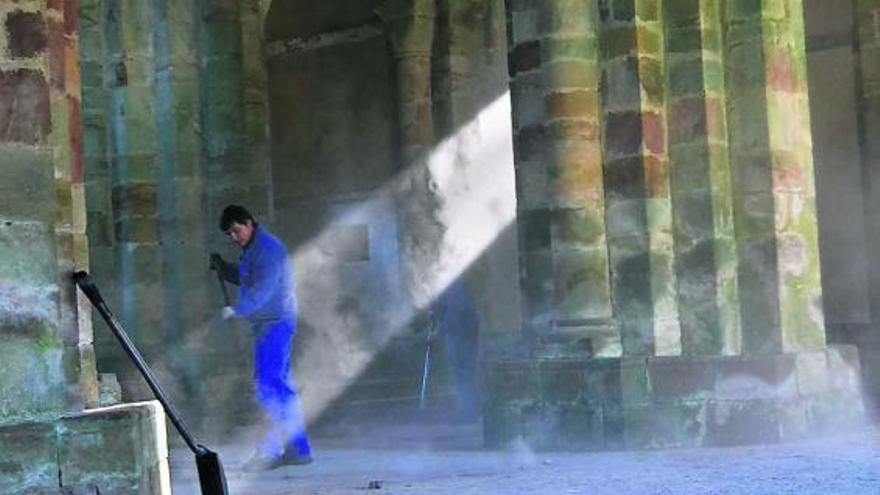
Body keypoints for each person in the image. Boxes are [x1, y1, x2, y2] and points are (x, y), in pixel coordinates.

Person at [209, 205, 312, 471]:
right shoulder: (254, 250)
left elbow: (264, 290)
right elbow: (249, 279)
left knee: (267, 386)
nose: (234, 237)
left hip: (275, 324)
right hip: (271, 324)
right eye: (230, 233)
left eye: (236, 230)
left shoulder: (269, 249)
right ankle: (298, 449)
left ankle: (270, 450)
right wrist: (225, 269)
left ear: (249, 222)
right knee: (280, 388)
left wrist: (237, 309)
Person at [428, 277, 481, 422]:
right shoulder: (448, 286)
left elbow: (456, 313)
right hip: (458, 335)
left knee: (464, 375)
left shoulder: (456, 287)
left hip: (463, 336)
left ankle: (468, 411)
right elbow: (439, 308)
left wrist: (438, 331)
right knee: (461, 375)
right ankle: (468, 410)